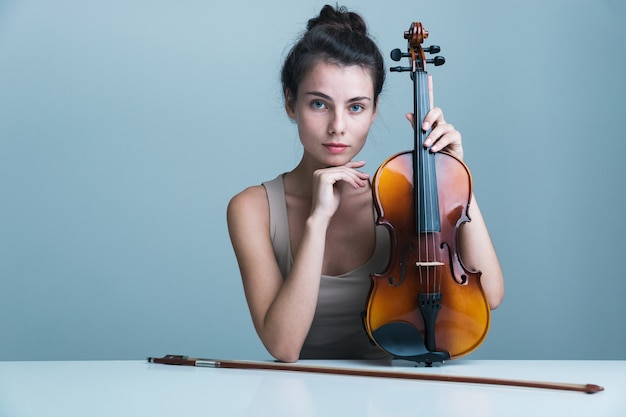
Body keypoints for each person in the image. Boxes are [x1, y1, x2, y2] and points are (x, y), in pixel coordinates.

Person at [227, 4, 504, 363]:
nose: (338, 126)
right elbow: (284, 347)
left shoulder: (398, 196)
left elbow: (490, 295)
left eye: (356, 107)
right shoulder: (251, 208)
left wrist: (453, 175)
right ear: (290, 103)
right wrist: (317, 221)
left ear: (374, 111)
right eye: (319, 104)